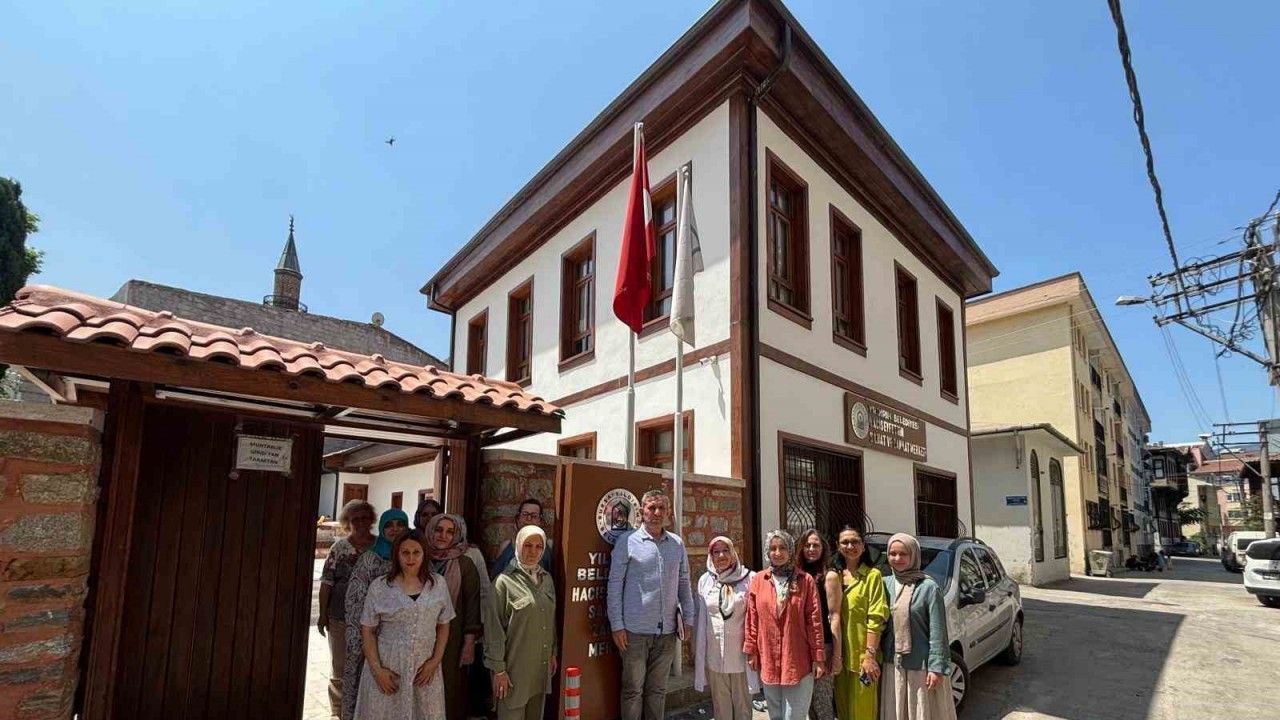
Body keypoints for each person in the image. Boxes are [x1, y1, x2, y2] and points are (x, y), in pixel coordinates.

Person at [607, 489, 695, 720]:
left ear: (668, 512)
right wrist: (617, 625)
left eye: (661, 508)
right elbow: (615, 585)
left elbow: (684, 583)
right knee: (633, 690)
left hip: (667, 633)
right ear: (641, 511)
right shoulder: (627, 542)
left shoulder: (676, 544)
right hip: (634, 632)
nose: (656, 513)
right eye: (651, 508)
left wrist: (689, 618)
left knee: (658, 690)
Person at [353, 532, 453, 720]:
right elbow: (368, 630)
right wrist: (378, 670)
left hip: (424, 671)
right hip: (389, 669)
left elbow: (443, 625)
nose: (410, 558)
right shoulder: (380, 587)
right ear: (396, 555)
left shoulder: (438, 585)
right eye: (405, 552)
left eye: (416, 552)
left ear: (424, 554)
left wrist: (435, 661)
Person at [416, 499, 494, 719]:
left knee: (450, 688)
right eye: (439, 530)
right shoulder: (418, 558)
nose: (443, 535)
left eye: (450, 532)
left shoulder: (465, 564)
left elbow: (472, 607)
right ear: (430, 531)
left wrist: (469, 644)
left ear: (456, 535)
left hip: (453, 639)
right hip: (420, 635)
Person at [745, 530, 825, 720]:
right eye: (773, 548)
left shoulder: (805, 580)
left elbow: (814, 621)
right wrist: (751, 651)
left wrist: (818, 657)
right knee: (775, 715)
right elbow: (752, 618)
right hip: (769, 659)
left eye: (782, 548)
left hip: (798, 660)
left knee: (794, 716)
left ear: (791, 550)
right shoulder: (759, 580)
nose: (778, 553)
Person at [485, 524, 558, 720]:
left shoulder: (547, 580)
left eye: (538, 547)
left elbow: (550, 621)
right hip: (513, 672)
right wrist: (498, 671)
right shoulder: (503, 583)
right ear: (518, 546)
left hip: (539, 670)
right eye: (527, 545)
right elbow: (493, 630)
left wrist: (553, 653)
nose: (533, 552)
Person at [343, 509, 410, 720]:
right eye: (389, 525)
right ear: (381, 528)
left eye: (400, 524)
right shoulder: (370, 559)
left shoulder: (412, 556)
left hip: (400, 640)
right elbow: (355, 600)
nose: (395, 529)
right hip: (369, 634)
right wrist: (360, 638)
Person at [879, 533, 955, 720]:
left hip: (920, 668)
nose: (897, 558)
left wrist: (936, 668)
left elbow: (938, 631)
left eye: (903, 554)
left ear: (913, 555)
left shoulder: (928, 587)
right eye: (892, 554)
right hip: (892, 665)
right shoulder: (884, 584)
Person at [320, 500, 377, 719]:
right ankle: (339, 712)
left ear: (371, 520)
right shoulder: (339, 548)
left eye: (365, 518)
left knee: (367, 666)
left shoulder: (380, 547)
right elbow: (327, 583)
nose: (360, 523)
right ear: (347, 522)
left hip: (373, 620)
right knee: (340, 667)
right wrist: (322, 614)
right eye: (355, 519)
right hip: (340, 617)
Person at [693, 536, 757, 720]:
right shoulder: (705, 581)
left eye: (725, 550)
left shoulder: (749, 579)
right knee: (721, 709)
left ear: (733, 553)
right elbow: (700, 618)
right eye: (716, 552)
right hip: (715, 656)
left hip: (740, 656)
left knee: (743, 708)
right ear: (710, 556)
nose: (721, 555)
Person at [832, 527, 889, 720]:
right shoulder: (834, 576)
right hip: (839, 658)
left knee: (863, 712)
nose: (850, 546)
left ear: (863, 546)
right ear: (838, 546)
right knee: (843, 711)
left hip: (863, 659)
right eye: (845, 542)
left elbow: (876, 618)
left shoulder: (872, 576)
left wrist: (870, 656)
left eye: (855, 541)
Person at [797, 529, 838, 720]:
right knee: (807, 704)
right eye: (807, 545)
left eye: (816, 545)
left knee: (822, 703)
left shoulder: (829, 576)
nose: (811, 549)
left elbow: (834, 616)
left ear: (823, 548)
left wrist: (836, 654)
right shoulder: (796, 575)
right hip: (801, 646)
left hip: (823, 645)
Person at [492, 498, 554, 579]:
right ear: (518, 519)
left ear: (540, 521)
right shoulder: (506, 545)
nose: (529, 519)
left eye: (534, 516)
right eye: (525, 514)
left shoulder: (549, 545)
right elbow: (496, 576)